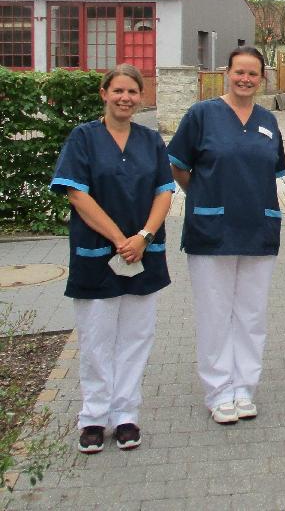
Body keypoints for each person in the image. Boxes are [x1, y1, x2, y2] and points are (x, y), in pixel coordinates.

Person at [50, 64, 174, 453]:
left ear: (140, 97)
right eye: (118, 91)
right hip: (97, 253)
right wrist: (122, 239)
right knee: (97, 338)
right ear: (104, 93)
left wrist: (144, 236)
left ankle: (126, 415)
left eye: (132, 92)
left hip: (143, 253)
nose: (125, 98)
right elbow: (76, 194)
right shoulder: (84, 138)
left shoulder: (151, 140)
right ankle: (93, 417)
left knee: (136, 337)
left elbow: (164, 192)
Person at [167, 46, 285, 425]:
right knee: (215, 314)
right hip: (211, 229)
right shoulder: (201, 115)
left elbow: (273, 170)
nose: (246, 79)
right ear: (226, 73)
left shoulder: (269, 120)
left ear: (262, 78)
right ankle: (218, 391)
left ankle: (244, 388)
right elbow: (180, 168)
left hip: (258, 227)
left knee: (251, 315)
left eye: (253, 74)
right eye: (240, 72)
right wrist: (204, 196)